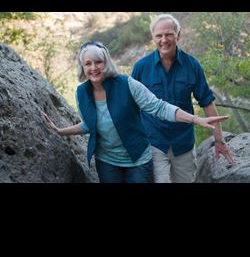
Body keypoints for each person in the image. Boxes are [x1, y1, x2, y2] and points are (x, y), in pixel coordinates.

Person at [43, 40, 229, 183]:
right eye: (88, 63)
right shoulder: (82, 93)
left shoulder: (127, 84)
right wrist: (61, 131)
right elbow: (90, 124)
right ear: (82, 67)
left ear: (106, 62)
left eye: (98, 62)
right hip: (107, 162)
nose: (93, 68)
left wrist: (195, 119)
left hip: (138, 160)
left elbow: (159, 107)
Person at [131, 13, 235, 183]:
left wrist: (219, 139)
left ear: (178, 35)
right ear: (153, 38)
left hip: (184, 144)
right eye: (159, 35)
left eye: (169, 34)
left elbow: (207, 103)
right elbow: (131, 106)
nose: (164, 40)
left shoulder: (192, 65)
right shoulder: (141, 67)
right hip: (153, 142)